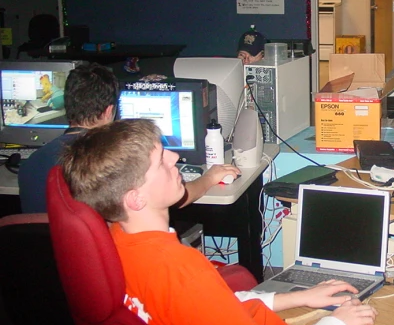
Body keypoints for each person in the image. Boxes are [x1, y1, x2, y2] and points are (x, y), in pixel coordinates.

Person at [62, 119, 394, 325]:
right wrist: (337, 324)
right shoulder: (180, 270)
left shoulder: (115, 244)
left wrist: (299, 298)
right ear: (134, 198)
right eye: (161, 162)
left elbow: (202, 309)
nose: (176, 157)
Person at [18, 62, 238, 214]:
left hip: (57, 272)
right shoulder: (110, 163)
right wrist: (210, 177)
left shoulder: (32, 163)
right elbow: (176, 197)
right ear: (109, 111)